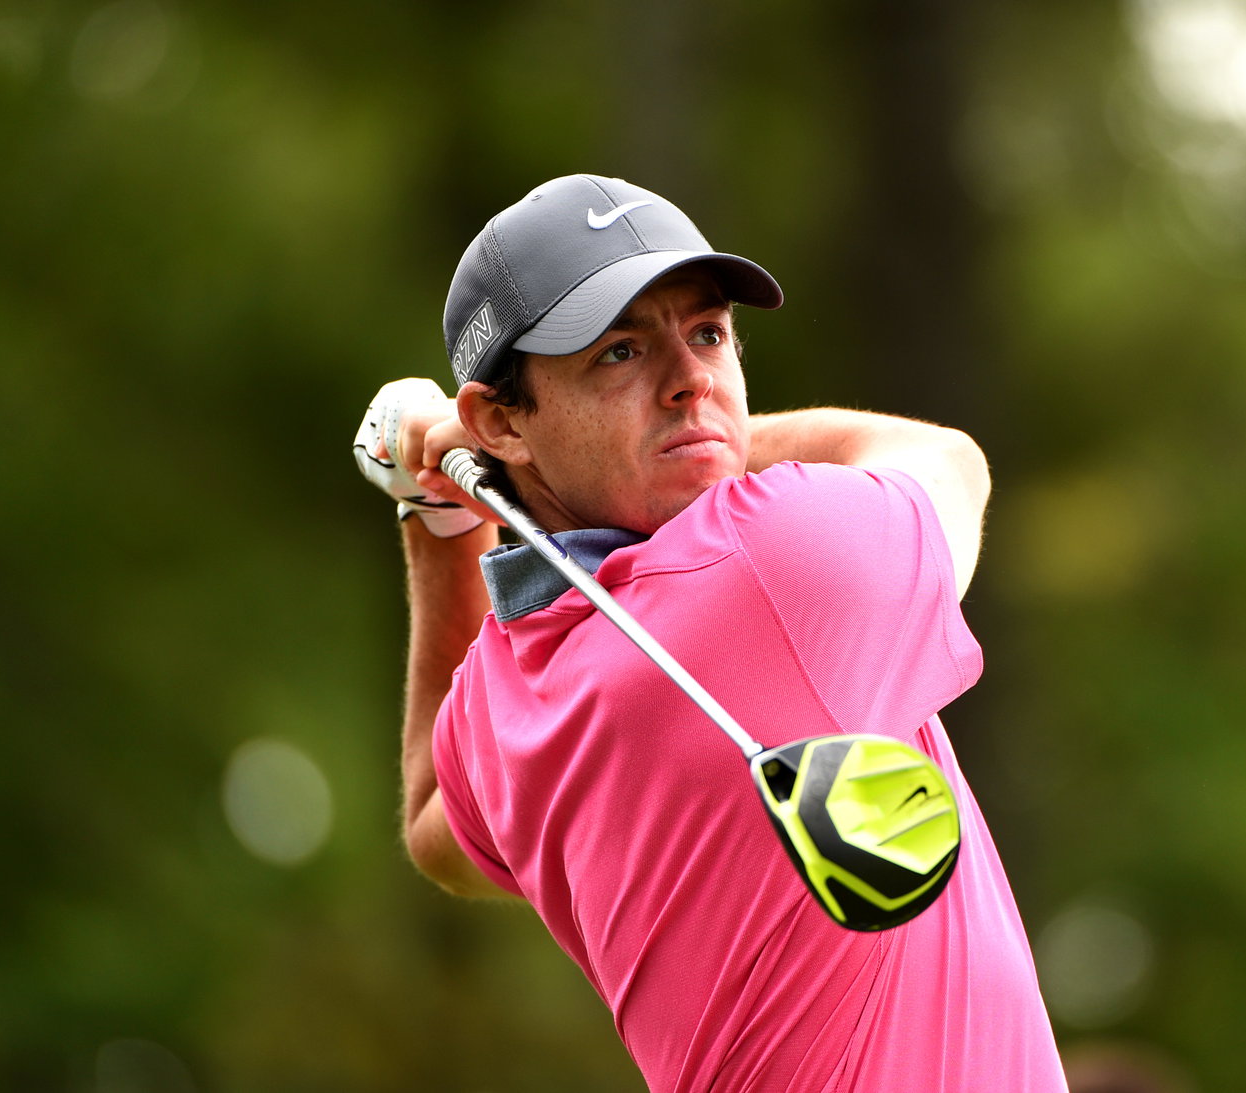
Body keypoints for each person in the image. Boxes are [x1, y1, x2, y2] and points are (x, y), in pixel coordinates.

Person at [354, 174, 1067, 1092]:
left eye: (708, 334)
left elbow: (430, 827)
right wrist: (714, 442)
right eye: (619, 352)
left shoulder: (502, 698)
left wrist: (441, 516)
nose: (691, 380)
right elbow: (947, 460)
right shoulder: (768, 554)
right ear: (501, 418)